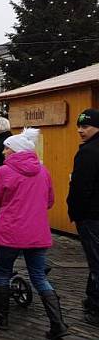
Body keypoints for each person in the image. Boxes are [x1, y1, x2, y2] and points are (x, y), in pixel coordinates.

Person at [0, 128, 68, 338]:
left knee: (3, 273)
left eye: (6, 148)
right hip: (37, 233)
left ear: (15, 150)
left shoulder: (3, 172)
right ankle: (58, 324)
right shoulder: (43, 171)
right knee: (39, 277)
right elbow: (50, 201)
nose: (4, 152)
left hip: (10, 232)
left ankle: (2, 320)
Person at [67, 108, 99, 326]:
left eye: (85, 126)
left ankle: (96, 308)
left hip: (90, 215)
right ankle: (91, 298)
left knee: (96, 261)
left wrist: (75, 211)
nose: (80, 130)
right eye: (79, 125)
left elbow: (80, 187)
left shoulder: (89, 152)